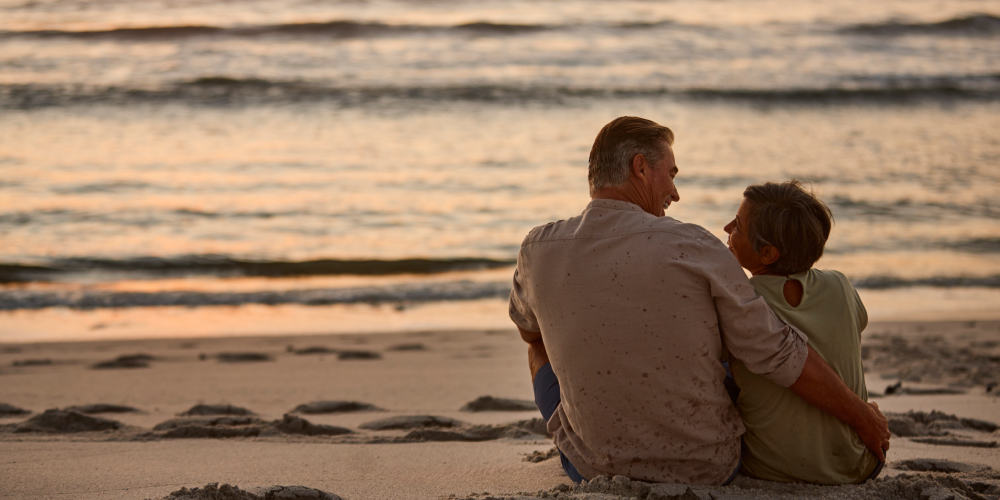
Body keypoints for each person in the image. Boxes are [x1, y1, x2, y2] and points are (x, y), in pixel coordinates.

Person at [508, 116, 889, 485]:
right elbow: (777, 352)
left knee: (540, 344)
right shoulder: (694, 245)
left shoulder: (537, 249)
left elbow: (530, 333)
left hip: (593, 466)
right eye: (671, 174)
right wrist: (862, 417)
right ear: (640, 167)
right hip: (705, 467)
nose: (675, 193)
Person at [723, 180, 881, 484]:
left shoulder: (743, 301)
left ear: (768, 253)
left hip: (771, 469)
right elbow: (853, 327)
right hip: (859, 464)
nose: (727, 228)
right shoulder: (840, 285)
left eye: (738, 226)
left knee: (721, 365)